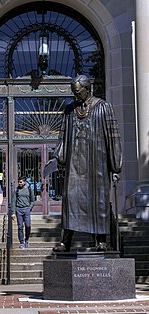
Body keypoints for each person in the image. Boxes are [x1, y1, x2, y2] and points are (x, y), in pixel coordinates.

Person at [46, 75, 122, 252]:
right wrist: (57, 157)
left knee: (99, 202)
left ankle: (101, 240)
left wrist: (116, 166)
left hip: (98, 165)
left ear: (88, 89)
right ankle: (66, 241)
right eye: (73, 93)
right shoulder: (70, 110)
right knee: (70, 200)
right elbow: (63, 137)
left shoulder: (104, 107)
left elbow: (113, 138)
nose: (75, 96)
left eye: (78, 92)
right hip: (75, 165)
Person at [11, 176, 35, 248]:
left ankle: (27, 240)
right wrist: (13, 212)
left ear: (24, 182)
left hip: (26, 209)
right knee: (20, 227)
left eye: (21, 182)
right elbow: (13, 201)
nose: (19, 183)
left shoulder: (29, 189)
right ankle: (21, 242)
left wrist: (29, 208)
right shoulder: (17, 190)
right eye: (19, 182)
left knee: (28, 225)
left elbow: (32, 200)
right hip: (19, 210)